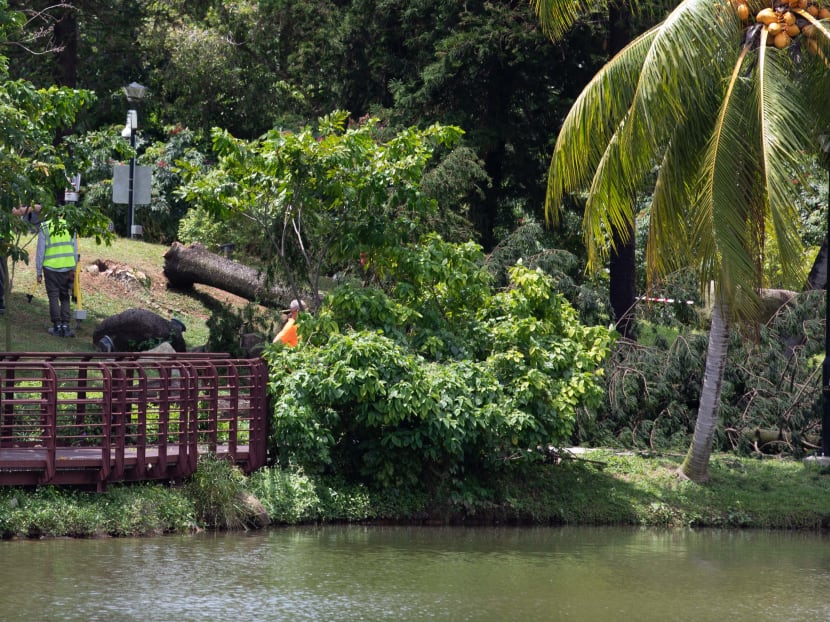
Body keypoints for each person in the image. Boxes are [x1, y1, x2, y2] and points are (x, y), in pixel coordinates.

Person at [36, 215, 78, 337]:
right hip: (68, 267)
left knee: (53, 296)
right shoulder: (70, 226)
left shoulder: (45, 227)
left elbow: (40, 251)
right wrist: (74, 268)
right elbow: (74, 249)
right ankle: (65, 326)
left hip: (50, 268)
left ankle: (57, 326)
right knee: (65, 297)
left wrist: (38, 271)